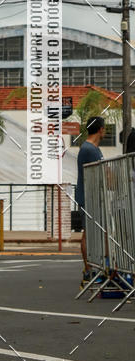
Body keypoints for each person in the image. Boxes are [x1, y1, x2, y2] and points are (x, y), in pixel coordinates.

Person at [75, 116, 104, 285]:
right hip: (88, 196)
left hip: (94, 196)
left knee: (96, 233)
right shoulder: (89, 149)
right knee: (88, 233)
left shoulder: (93, 148)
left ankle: (95, 268)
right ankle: (88, 270)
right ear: (100, 129)